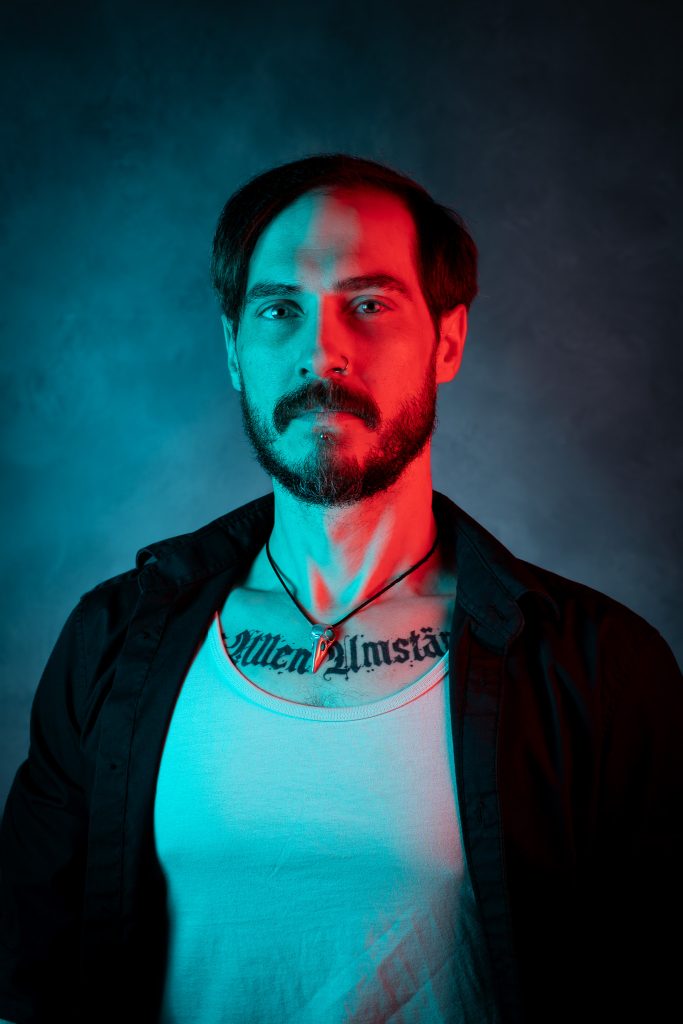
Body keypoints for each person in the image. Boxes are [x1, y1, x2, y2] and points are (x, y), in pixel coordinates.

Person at [0, 153, 681, 1024]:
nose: (321, 351)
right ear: (234, 351)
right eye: (278, 310)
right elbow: (27, 983)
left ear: (447, 340)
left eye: (368, 304)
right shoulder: (110, 640)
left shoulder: (599, 669)